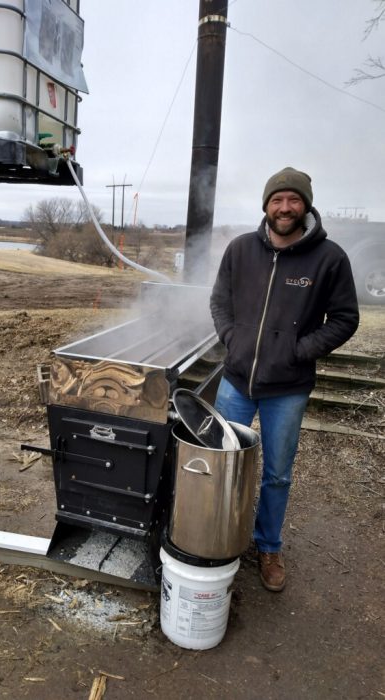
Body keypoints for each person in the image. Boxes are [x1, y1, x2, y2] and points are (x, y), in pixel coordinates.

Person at [209, 166, 359, 592]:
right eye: (278, 199)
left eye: (294, 199)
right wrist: (230, 337)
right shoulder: (240, 250)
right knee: (221, 463)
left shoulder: (329, 258)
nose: (285, 207)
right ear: (266, 205)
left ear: (306, 205)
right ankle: (217, 535)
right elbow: (219, 301)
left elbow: (346, 319)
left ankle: (268, 546)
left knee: (276, 473)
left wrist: (299, 351)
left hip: (287, 390)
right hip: (236, 381)